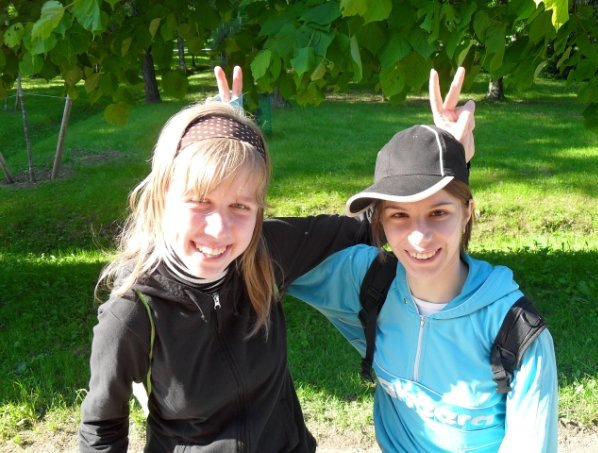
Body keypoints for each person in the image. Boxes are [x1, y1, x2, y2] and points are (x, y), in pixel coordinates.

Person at [78, 66, 476, 452]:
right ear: (161, 198)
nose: (220, 229)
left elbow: (373, 223)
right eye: (200, 202)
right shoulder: (133, 312)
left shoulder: (263, 253)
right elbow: (102, 430)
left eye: (240, 205)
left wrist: (444, 159)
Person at [288, 125, 558, 452]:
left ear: (467, 212)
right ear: (380, 221)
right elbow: (257, 250)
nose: (419, 237)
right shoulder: (368, 281)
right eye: (399, 215)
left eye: (438, 212)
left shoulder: (515, 331)